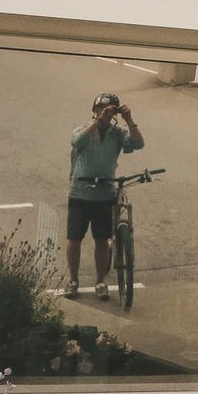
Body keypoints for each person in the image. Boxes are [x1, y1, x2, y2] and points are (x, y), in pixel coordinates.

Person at [65, 92, 145, 300]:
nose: (106, 114)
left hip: (105, 193)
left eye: (111, 111)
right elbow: (76, 141)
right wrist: (98, 121)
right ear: (94, 111)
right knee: (74, 239)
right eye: (102, 110)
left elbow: (138, 144)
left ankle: (100, 280)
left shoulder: (117, 133)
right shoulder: (84, 129)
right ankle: (73, 280)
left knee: (102, 240)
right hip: (80, 193)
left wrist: (129, 120)